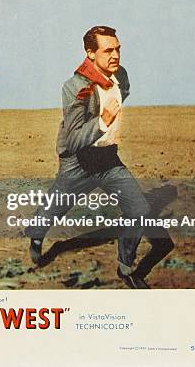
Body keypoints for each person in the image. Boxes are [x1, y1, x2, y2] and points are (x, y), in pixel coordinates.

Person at [25, 25, 156, 289]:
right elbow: (73, 140)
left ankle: (125, 267)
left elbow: (122, 92)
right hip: (79, 163)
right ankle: (37, 235)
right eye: (108, 50)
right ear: (90, 53)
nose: (116, 55)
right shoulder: (75, 87)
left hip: (108, 160)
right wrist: (102, 122)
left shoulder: (121, 76)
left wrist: (107, 131)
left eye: (118, 49)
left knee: (139, 210)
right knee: (55, 208)